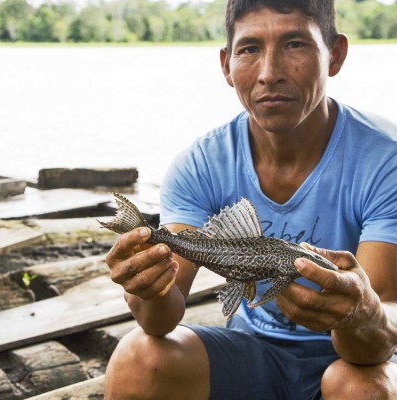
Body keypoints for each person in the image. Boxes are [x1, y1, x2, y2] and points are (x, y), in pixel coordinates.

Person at [103, 1, 397, 399]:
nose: (269, 73)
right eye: (250, 49)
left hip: (354, 363)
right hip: (252, 351)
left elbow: (376, 343)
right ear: (226, 64)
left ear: (335, 55)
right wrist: (147, 286)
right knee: (138, 356)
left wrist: (358, 313)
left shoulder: (385, 161)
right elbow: (160, 321)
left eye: (295, 44)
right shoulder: (201, 163)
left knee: (359, 386)